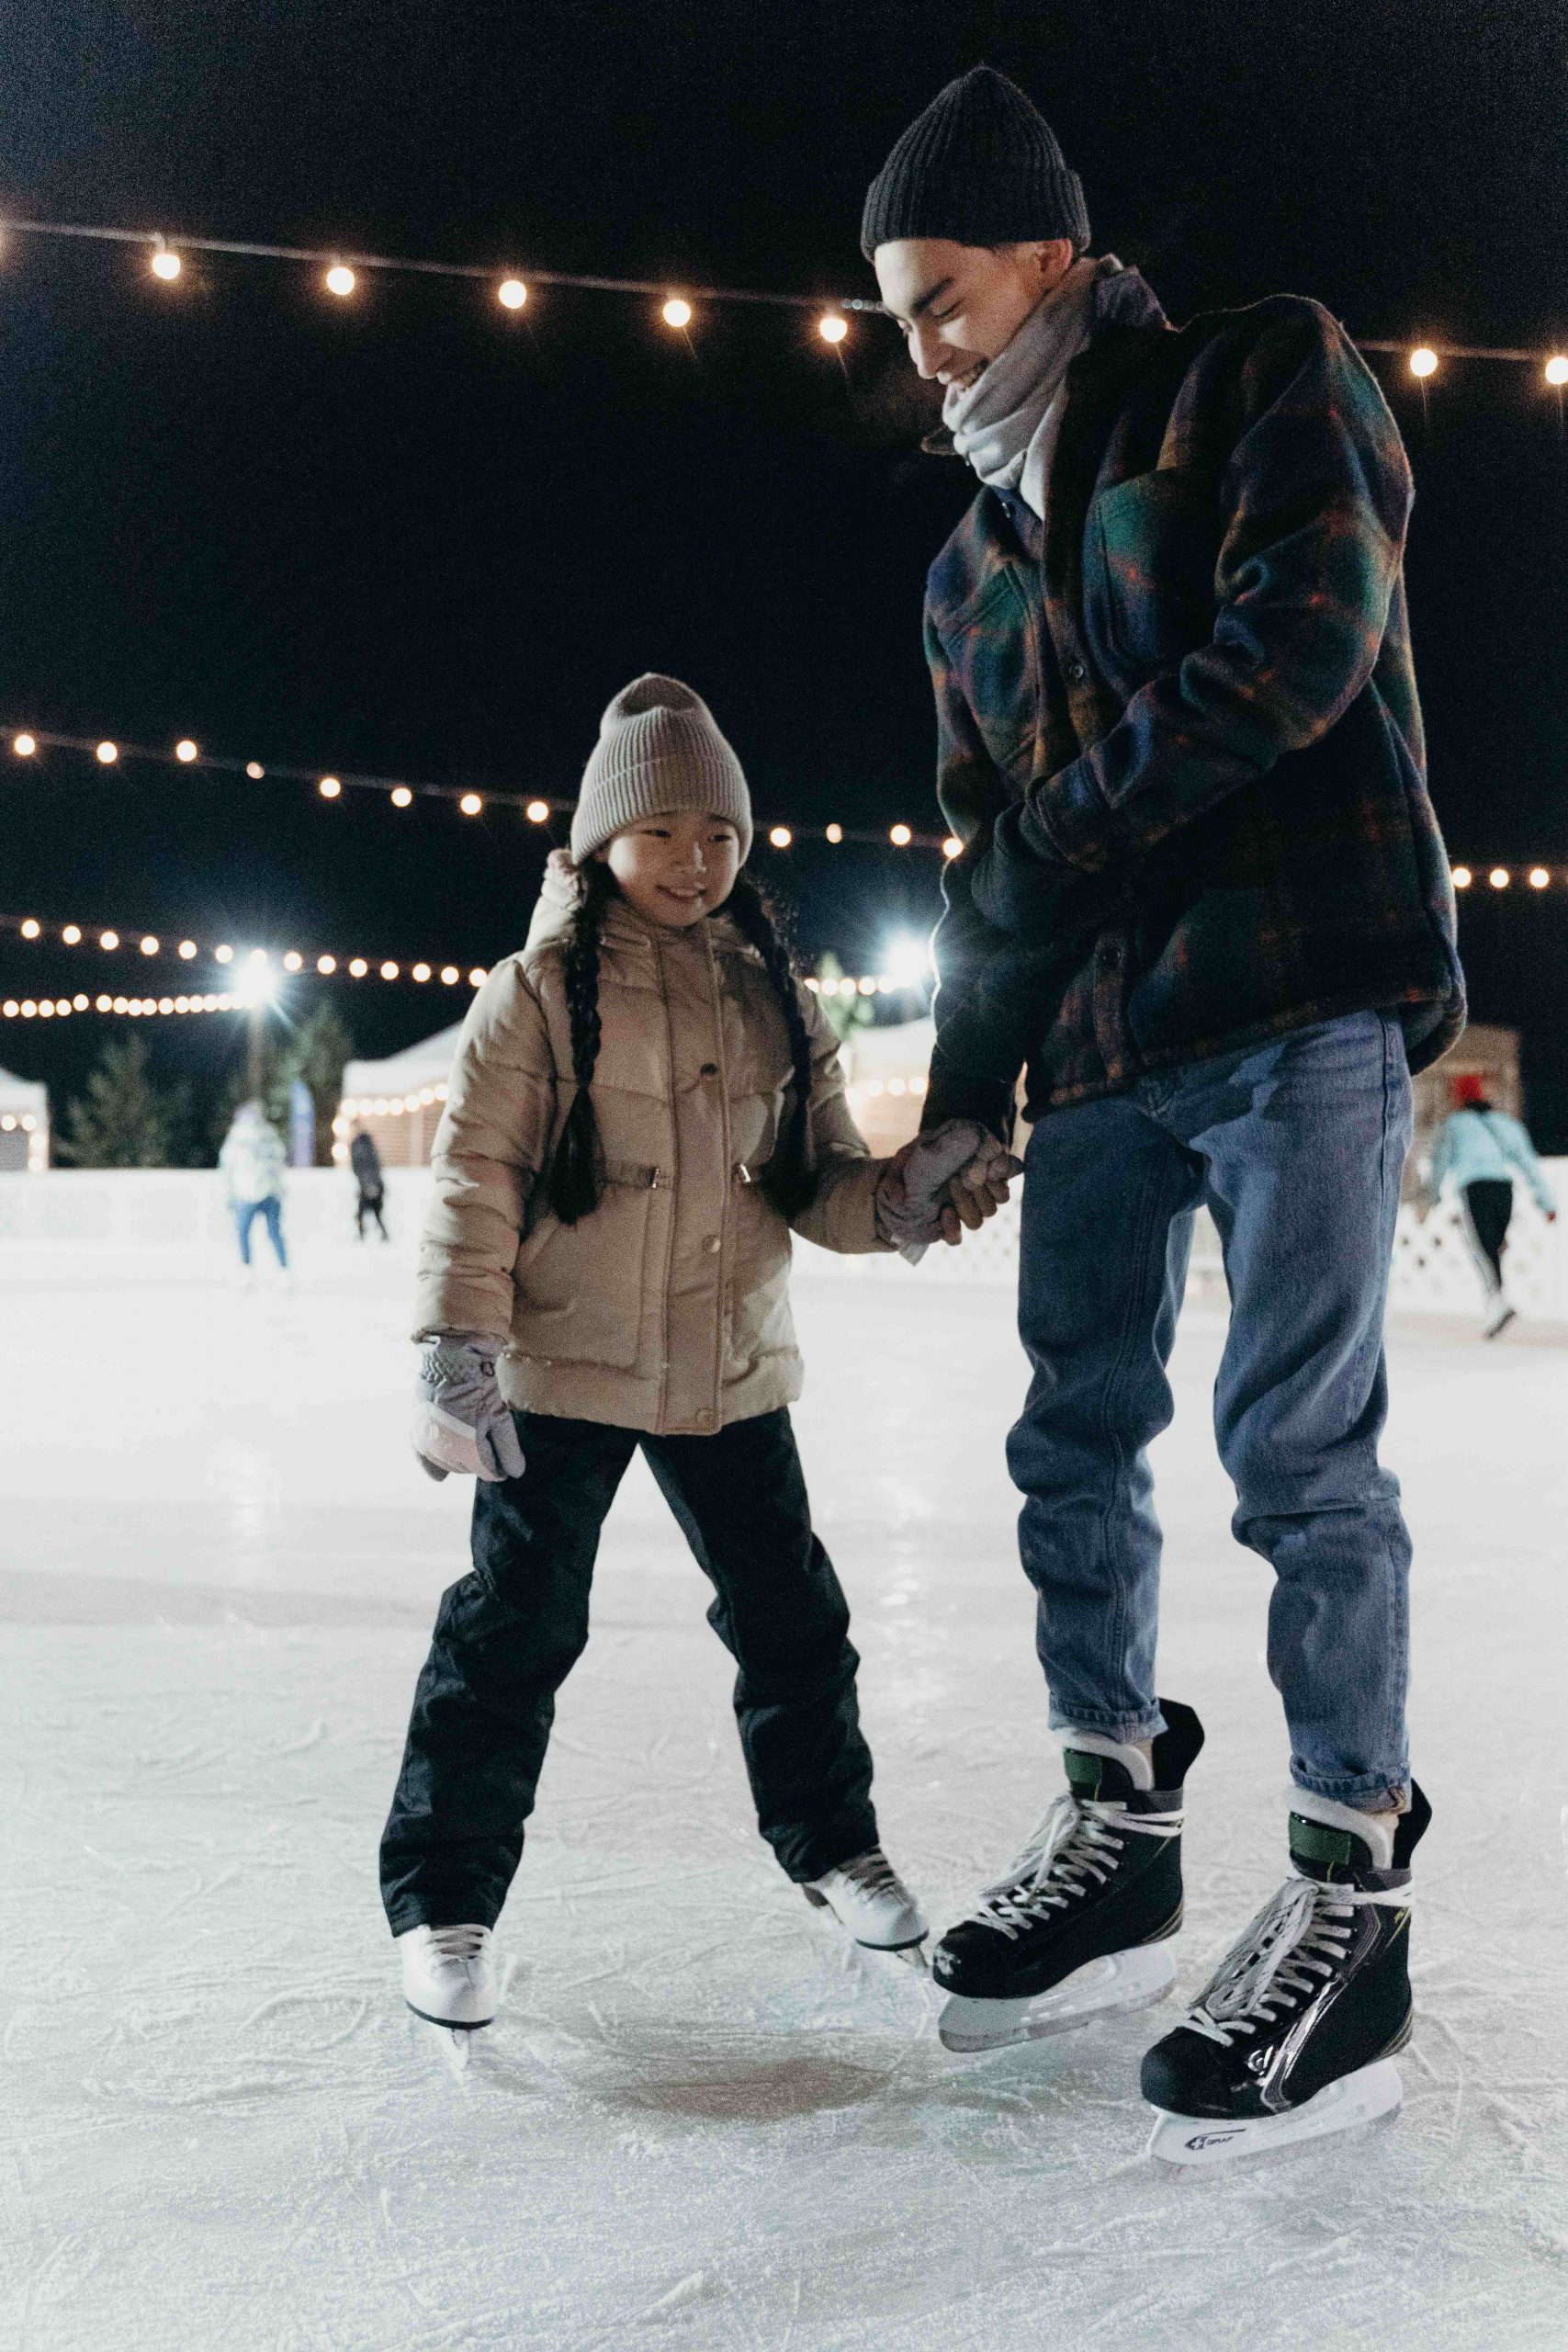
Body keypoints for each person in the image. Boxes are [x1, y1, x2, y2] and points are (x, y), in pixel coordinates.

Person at [860, 67, 1466, 2165]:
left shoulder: (1251, 375)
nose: (919, 345)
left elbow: (1293, 657)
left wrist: (1045, 838)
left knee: (1292, 1437)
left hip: (1294, 986)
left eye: (940, 295)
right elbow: (981, 879)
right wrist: (954, 1106)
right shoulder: (961, 578)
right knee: (1066, 1431)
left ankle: (1342, 1884)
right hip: (1096, 1056)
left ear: (1044, 247)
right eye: (895, 314)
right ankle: (1114, 1817)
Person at [378, 673, 1008, 2038]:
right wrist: (456, 1345)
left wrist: (899, 1196)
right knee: (511, 1636)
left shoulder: (773, 994)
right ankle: (443, 1900)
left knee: (792, 1621)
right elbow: (475, 1177)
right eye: (660, 833)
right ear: (601, 841)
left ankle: (831, 1844)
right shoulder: (534, 992)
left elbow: (817, 1182)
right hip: (565, 1369)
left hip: (731, 1370)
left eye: (716, 835)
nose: (693, 861)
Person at [1424, 1072, 1558, 1338]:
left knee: (1482, 1248)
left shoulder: (1455, 1124)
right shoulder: (1506, 1124)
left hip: (1474, 1188)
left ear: (1459, 1098)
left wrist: (1432, 1197)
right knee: (1494, 1247)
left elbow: (1440, 1163)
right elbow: (1528, 1163)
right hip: (1503, 1189)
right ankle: (1496, 1304)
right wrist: (1547, 1203)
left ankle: (1497, 1303)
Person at [219, 1099, 288, 1280]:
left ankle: (247, 1269)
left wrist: (230, 1194)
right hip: (268, 1191)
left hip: (247, 1192)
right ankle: (283, 1270)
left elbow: (227, 1167)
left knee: (244, 1232)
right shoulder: (269, 1134)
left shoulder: (236, 1137)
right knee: (273, 1233)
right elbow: (280, 1159)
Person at [350, 1125, 389, 1241]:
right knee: (374, 1213)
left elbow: (366, 1169)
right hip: (373, 1185)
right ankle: (379, 1234)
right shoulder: (370, 1149)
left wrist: (369, 1186)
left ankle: (364, 1234)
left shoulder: (360, 1150)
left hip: (370, 1185)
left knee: (366, 1212)